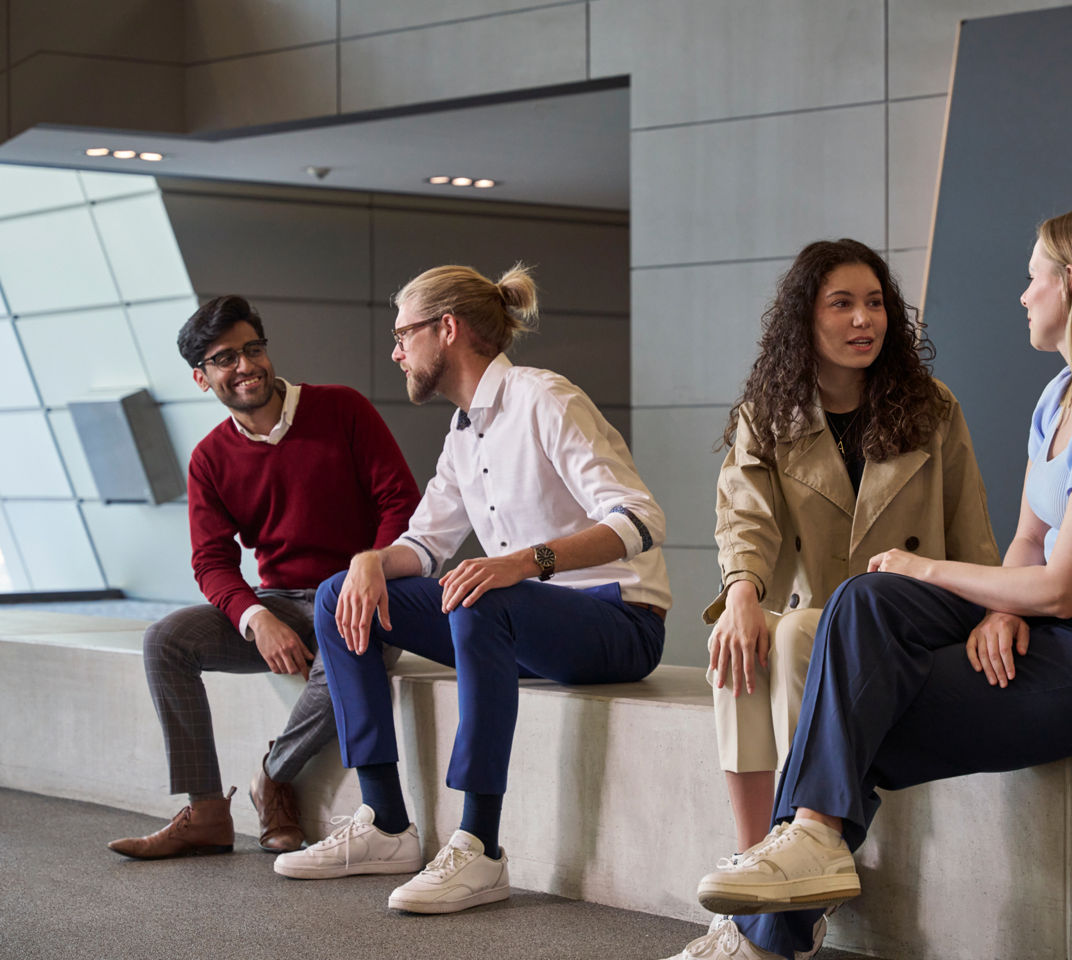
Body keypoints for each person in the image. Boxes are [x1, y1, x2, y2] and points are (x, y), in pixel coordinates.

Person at [686, 208, 1072, 960]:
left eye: (1034, 276)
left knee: (856, 698)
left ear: (1070, 281)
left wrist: (931, 570)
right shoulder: (1060, 398)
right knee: (861, 604)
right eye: (842, 304)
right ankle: (808, 846)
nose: (1023, 294)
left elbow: (1066, 588)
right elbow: (1030, 546)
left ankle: (771, 924)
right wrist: (1001, 607)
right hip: (1058, 627)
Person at [273, 263, 671, 917]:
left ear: (447, 329)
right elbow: (426, 546)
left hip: (618, 621)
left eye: (404, 334)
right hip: (519, 624)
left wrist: (524, 562)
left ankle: (480, 847)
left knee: (482, 593)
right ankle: (385, 822)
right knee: (339, 592)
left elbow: (640, 520)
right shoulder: (463, 433)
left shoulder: (546, 399)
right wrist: (371, 559)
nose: (396, 350)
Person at [671, 239, 999, 959]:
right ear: (804, 320)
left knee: (796, 637)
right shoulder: (772, 411)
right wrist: (742, 592)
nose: (864, 320)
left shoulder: (932, 408)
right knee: (745, 632)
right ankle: (758, 862)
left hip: (911, 628)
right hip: (819, 614)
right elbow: (745, 516)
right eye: (842, 304)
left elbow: (973, 531)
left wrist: (999, 612)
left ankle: (782, 900)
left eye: (875, 303)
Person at [108, 296, 420, 860]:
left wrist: (373, 566)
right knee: (165, 641)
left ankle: (271, 777)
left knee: (353, 650)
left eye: (253, 349)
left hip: (357, 594)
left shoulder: (341, 409)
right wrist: (258, 620)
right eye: (225, 358)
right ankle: (205, 811)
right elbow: (211, 561)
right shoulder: (209, 458)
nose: (245, 365)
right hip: (280, 601)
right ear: (202, 378)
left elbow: (400, 502)